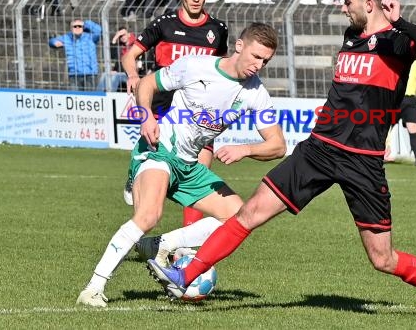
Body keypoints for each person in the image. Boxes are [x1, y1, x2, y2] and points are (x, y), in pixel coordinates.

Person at [149, 0, 416, 323]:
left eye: (346, 0)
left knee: (382, 259)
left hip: (362, 161)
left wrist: (401, 23)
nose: (341, 6)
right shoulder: (352, 35)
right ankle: (185, 275)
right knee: (249, 213)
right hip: (317, 150)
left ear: (370, 4)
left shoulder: (398, 42)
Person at [76, 23, 286, 307]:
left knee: (241, 215)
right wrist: (147, 117)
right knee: (149, 215)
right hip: (160, 149)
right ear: (239, 46)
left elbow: (278, 145)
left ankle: (159, 245)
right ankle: (94, 287)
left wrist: (246, 149)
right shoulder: (196, 67)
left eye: (265, 61)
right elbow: (148, 84)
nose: (258, 65)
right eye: (256, 56)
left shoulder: (255, 93)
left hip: (189, 166)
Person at [121, 0, 229, 227]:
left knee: (199, 173)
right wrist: (134, 76)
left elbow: (222, 70)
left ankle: (184, 246)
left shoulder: (218, 29)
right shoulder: (164, 24)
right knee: (150, 182)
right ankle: (136, 180)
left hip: (198, 114)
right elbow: (130, 56)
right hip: (162, 111)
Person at [385, 60, 416, 167]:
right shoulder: (399, 56)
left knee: (414, 129)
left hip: (410, 99)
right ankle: (379, 155)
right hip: (396, 98)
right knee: (385, 129)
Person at [48, 18, 101, 91]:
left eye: (80, 26)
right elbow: (51, 41)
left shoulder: (90, 37)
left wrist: (86, 23)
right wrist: (54, 43)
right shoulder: (67, 38)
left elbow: (99, 31)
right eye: (75, 26)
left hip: (90, 73)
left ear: (83, 27)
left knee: (90, 98)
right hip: (74, 74)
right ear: (71, 28)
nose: (77, 28)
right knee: (75, 98)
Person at [97, 27, 137, 92]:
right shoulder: (120, 47)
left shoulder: (135, 44)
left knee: (116, 77)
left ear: (128, 34)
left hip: (130, 73)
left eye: (123, 34)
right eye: (120, 36)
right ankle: (98, 95)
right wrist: (115, 37)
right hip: (119, 72)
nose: (122, 37)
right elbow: (110, 55)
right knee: (104, 74)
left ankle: (111, 95)